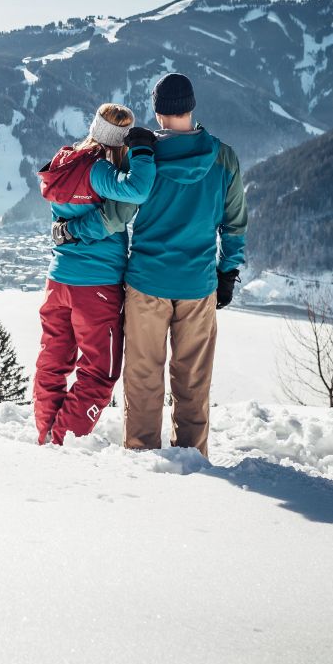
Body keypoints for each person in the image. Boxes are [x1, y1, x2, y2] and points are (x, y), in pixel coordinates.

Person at [65, 73, 246, 455]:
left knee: (144, 377)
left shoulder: (145, 155)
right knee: (193, 381)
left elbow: (115, 216)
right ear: (191, 106)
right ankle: (192, 458)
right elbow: (234, 225)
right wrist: (227, 272)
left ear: (158, 110)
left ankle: (143, 460)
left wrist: (71, 230)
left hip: (147, 284)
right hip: (198, 287)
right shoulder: (223, 157)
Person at [32, 103, 156, 445]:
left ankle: (46, 436)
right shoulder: (98, 170)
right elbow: (138, 190)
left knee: (53, 360)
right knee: (101, 372)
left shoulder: (65, 161)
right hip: (96, 286)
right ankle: (63, 441)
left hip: (58, 280)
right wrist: (143, 151)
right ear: (120, 139)